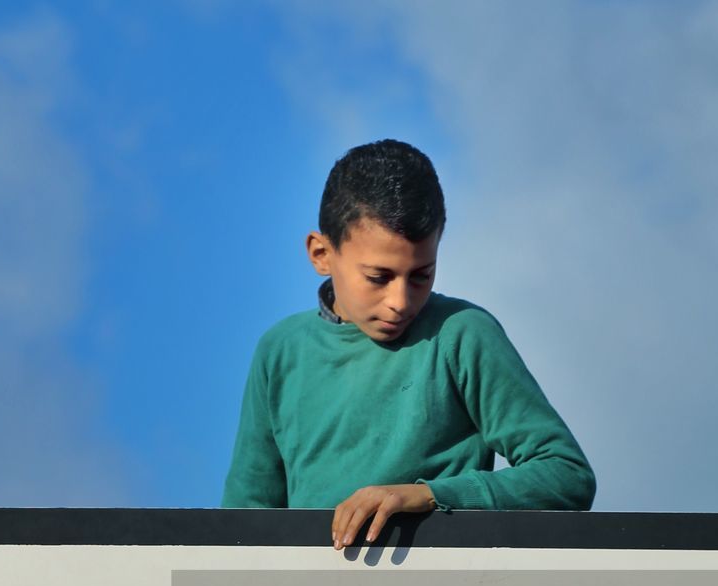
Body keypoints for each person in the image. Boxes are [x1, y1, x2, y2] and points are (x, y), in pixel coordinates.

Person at [221, 140, 595, 549]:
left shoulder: (462, 333)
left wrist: (429, 496)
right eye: (379, 277)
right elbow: (242, 526)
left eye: (420, 276)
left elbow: (566, 474)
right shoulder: (280, 352)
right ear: (321, 253)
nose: (401, 302)